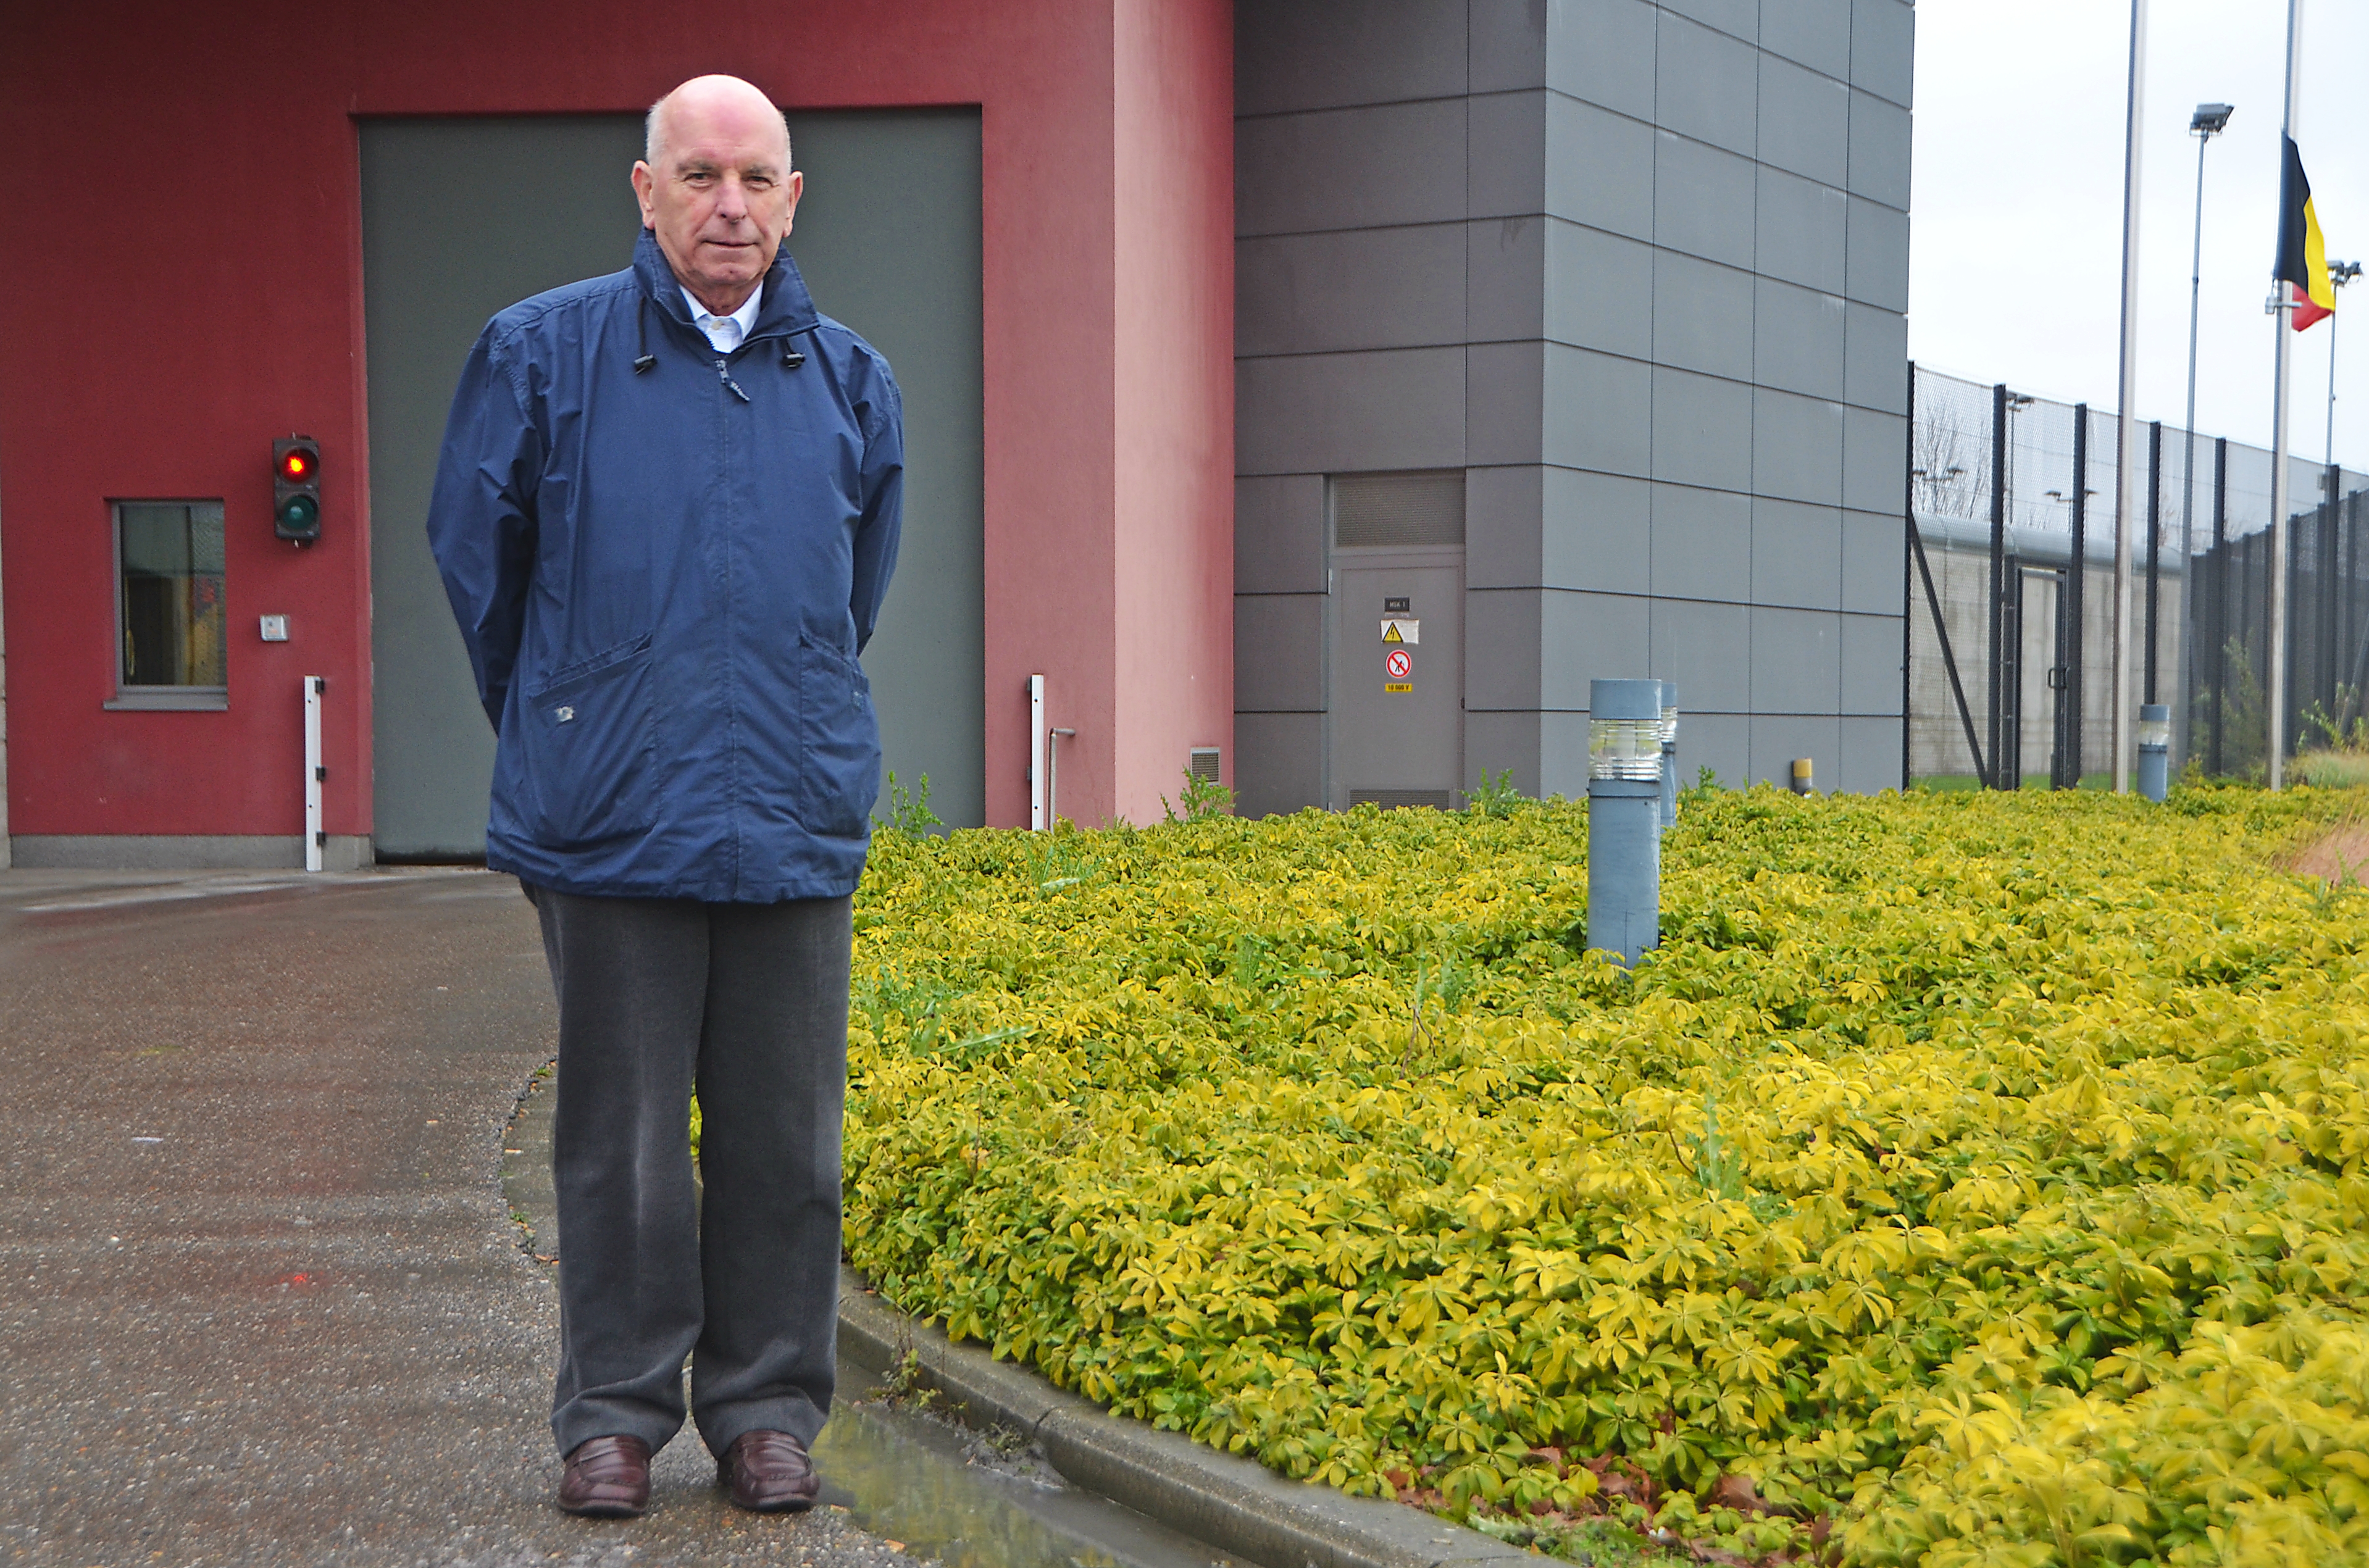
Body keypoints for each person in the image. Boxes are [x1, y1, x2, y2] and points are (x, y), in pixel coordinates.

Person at [425, 73, 902, 1519]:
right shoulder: (539, 353)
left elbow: (852, 590)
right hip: (608, 815)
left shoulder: (850, 380)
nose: (729, 204)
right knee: (621, 1143)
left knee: (784, 1139)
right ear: (643, 190)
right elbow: (476, 567)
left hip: (791, 805)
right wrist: (575, 711)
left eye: (757, 179)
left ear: (794, 199)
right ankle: (614, 1418)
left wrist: (785, 708)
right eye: (698, 175)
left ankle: (764, 1408)